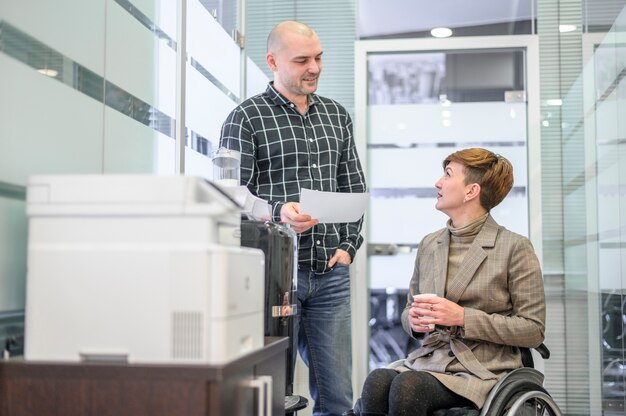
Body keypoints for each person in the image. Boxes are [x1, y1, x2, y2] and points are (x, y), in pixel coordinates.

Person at [219, 21, 367, 416]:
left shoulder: (337, 117)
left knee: (337, 397)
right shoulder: (245, 118)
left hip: (329, 273)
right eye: (302, 60)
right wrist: (280, 209)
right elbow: (229, 198)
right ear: (272, 61)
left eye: (318, 57)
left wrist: (349, 247)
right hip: (272, 278)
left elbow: (353, 189)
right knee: (270, 395)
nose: (314, 67)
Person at [352, 148, 545, 415]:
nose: (438, 182)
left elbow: (533, 330)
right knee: (376, 382)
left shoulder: (514, 248)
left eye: (447, 174)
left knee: (409, 388)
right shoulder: (430, 244)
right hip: (431, 361)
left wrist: (463, 317)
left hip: (484, 369)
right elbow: (409, 310)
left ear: (471, 191)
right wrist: (415, 321)